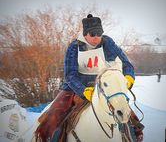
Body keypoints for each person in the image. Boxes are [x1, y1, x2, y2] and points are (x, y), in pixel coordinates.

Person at [35, 14, 143, 142]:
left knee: (126, 112)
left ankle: (134, 136)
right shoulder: (74, 47)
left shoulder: (107, 42)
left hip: (104, 85)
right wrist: (84, 90)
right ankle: (47, 138)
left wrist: (129, 77)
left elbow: (126, 64)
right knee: (54, 115)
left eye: (99, 33)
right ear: (85, 34)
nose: (96, 37)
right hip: (76, 87)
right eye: (92, 34)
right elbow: (70, 75)